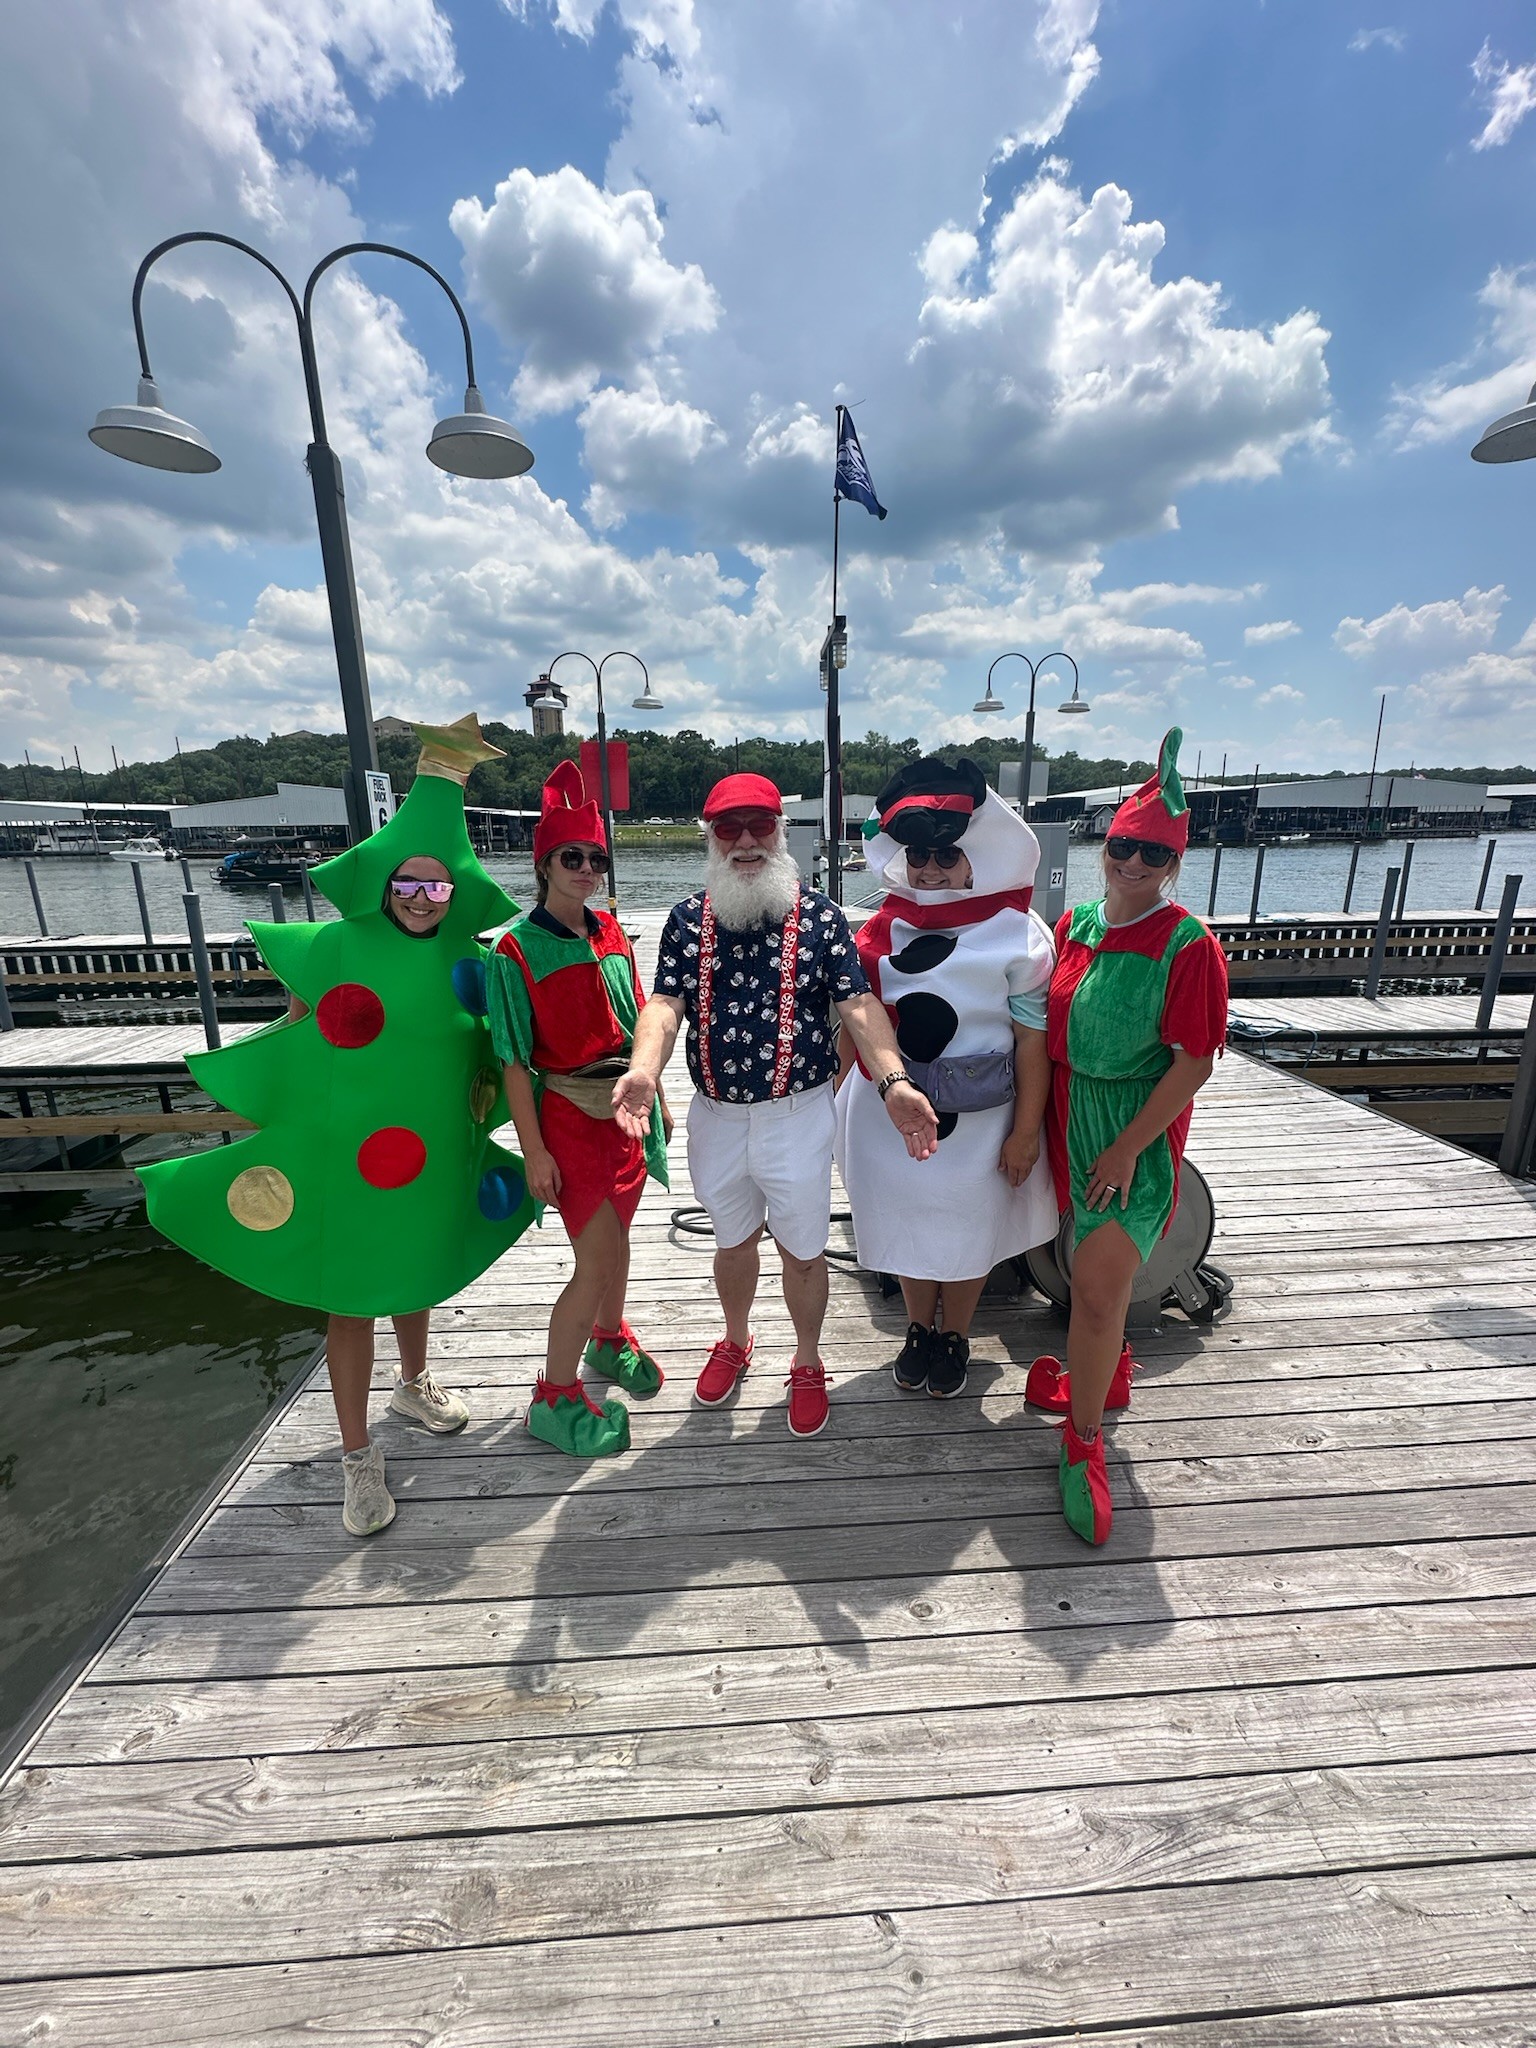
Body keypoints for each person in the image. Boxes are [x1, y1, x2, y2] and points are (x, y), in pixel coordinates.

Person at [613, 773, 939, 1438]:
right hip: (716, 1117)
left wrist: (894, 1081)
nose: (745, 842)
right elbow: (666, 1003)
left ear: (781, 833)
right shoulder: (686, 921)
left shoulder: (820, 917)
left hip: (798, 1117)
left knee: (804, 1250)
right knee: (732, 1243)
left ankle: (808, 1359)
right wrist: (643, 1069)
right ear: (710, 839)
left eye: (759, 825)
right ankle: (736, 1339)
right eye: (728, 829)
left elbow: (858, 1005)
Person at [1029, 728, 1228, 1544]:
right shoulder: (1075, 925)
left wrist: (1127, 1148)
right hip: (1065, 1114)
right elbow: (1038, 1027)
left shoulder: (1188, 944)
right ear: (1103, 846)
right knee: (1082, 1275)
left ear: (1175, 862)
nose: (1133, 862)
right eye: (1122, 846)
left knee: (1099, 1290)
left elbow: (1194, 1063)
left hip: (1131, 1133)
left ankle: (1083, 1444)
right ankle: (1104, 1378)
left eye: (1153, 852)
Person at [836, 758, 1057, 1397]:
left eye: (946, 855)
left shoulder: (1019, 934)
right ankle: (917, 1328)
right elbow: (856, 1022)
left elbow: (1032, 1040)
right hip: (890, 1115)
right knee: (907, 1217)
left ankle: (955, 1334)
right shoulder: (877, 932)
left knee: (968, 1224)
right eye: (917, 855)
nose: (930, 869)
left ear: (973, 860)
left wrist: (1026, 1133)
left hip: (982, 1120)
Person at [488, 762, 671, 1458]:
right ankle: (554, 1397)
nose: (587, 870)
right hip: (568, 1116)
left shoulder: (612, 931)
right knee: (592, 1263)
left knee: (618, 1245)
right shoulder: (514, 950)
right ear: (544, 864)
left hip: (625, 1111)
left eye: (597, 858)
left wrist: (655, 1095)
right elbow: (513, 1060)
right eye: (573, 857)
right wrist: (534, 1150)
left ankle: (608, 1337)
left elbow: (640, 1017)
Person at [296, 851, 472, 1535]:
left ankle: (411, 1385)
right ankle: (356, 1455)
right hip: (345, 1154)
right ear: (385, 885)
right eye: (408, 883)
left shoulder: (464, 953)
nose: (421, 898)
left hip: (424, 1153)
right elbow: (296, 1042)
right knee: (350, 1301)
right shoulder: (334, 945)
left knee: (414, 1272)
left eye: (436, 885)